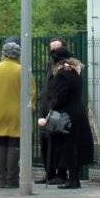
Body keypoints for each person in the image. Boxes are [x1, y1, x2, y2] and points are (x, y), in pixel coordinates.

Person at [0, 42, 36, 188]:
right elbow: (31, 95)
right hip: (18, 114)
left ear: (3, 53)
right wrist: (30, 111)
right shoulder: (24, 71)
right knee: (14, 146)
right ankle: (12, 179)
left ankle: (0, 179)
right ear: (18, 54)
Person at [45, 47, 94, 189]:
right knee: (76, 146)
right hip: (79, 113)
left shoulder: (62, 75)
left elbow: (61, 97)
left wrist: (52, 106)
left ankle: (72, 180)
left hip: (67, 116)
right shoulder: (76, 72)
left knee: (69, 147)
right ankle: (75, 178)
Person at [35, 37, 69, 185]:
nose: (54, 53)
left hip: (59, 108)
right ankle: (49, 173)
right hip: (46, 106)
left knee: (59, 142)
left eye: (57, 49)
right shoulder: (50, 64)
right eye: (52, 50)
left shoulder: (66, 66)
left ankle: (61, 174)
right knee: (45, 141)